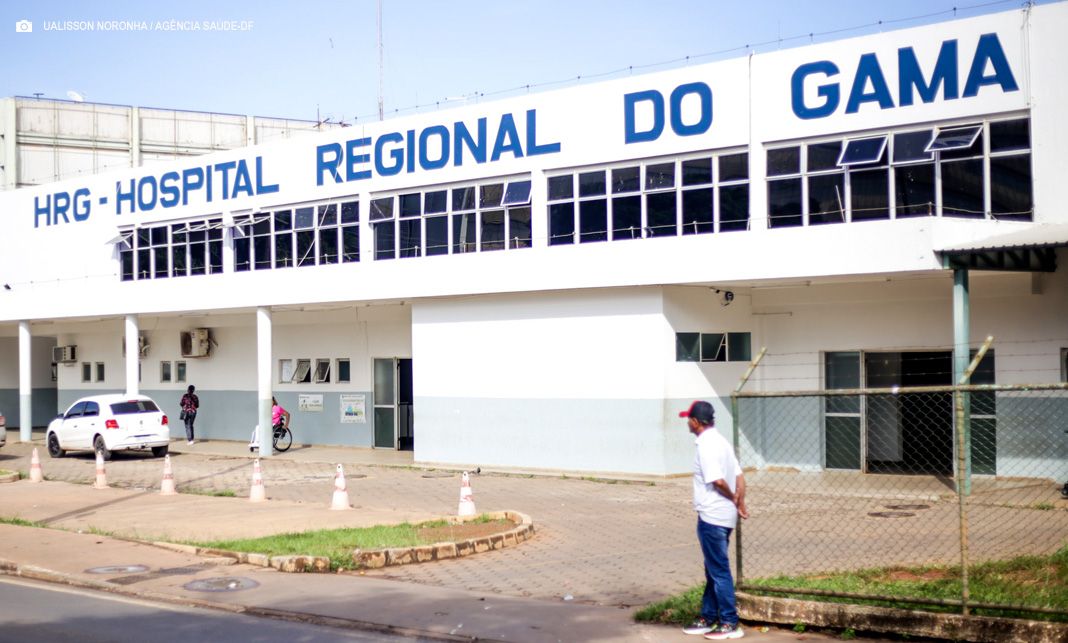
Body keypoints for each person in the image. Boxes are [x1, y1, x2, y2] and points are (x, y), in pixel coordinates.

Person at [680, 400, 748, 640]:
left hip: (712, 516)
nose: (687, 423)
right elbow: (739, 475)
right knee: (713, 569)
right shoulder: (721, 441)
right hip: (725, 516)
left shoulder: (706, 446)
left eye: (689, 419)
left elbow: (718, 481)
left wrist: (732, 497)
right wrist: (740, 502)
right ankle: (707, 617)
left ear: (696, 422)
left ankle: (729, 622)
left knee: (719, 571)